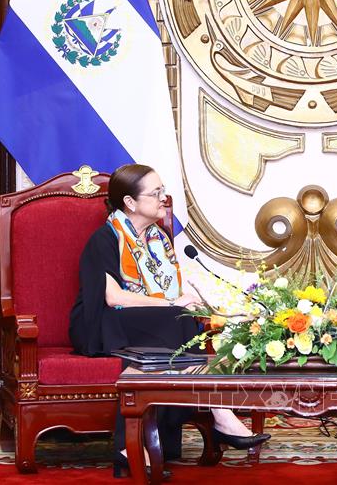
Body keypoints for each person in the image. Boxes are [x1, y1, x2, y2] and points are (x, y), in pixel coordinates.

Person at [69, 164, 269, 478]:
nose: (164, 198)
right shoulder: (106, 238)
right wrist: (170, 303)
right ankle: (219, 414)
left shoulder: (157, 240)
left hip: (142, 321)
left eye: (163, 191)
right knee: (176, 318)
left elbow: (170, 288)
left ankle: (135, 446)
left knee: (183, 321)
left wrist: (193, 298)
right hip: (100, 323)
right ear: (131, 203)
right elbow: (113, 298)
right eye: (156, 193)